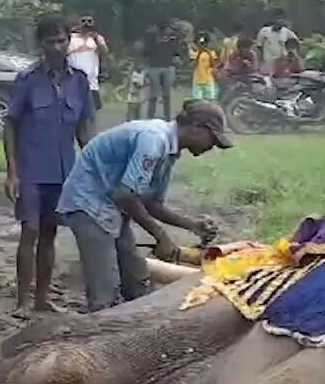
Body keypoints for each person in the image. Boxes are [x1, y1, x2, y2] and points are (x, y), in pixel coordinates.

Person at [56, 100, 231, 312]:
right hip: (88, 203)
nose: (212, 146)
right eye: (212, 139)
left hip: (111, 208)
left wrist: (192, 225)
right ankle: (101, 334)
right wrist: (161, 236)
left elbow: (152, 203)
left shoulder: (168, 149)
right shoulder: (153, 140)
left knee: (136, 280)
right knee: (105, 291)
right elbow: (125, 196)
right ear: (197, 127)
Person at [3, 16, 95, 314]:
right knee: (29, 230)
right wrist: (12, 172)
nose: (57, 46)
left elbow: (85, 127)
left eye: (62, 40)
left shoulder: (79, 81)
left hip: (63, 169)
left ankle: (41, 299)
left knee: (49, 233)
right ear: (40, 45)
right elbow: (11, 125)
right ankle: (21, 301)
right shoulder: (27, 80)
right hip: (30, 169)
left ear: (70, 41)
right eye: (50, 41)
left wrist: (91, 167)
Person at [143, 19, 185, 119]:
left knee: (167, 94)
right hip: (154, 65)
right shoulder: (151, 33)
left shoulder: (173, 34)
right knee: (154, 94)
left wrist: (177, 57)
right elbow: (146, 51)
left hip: (168, 65)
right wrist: (157, 41)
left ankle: (167, 117)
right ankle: (150, 117)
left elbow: (176, 50)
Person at [68, 14, 109, 114]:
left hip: (91, 83)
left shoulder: (96, 39)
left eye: (89, 21)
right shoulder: (71, 38)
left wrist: (97, 39)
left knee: (90, 113)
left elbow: (105, 52)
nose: (86, 24)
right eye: (83, 21)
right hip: (72, 81)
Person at [256, 9, 298, 75]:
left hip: (281, 65)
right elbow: (258, 47)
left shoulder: (287, 32)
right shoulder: (264, 31)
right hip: (267, 64)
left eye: (281, 18)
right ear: (273, 19)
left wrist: (291, 58)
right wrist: (258, 63)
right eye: (277, 18)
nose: (279, 20)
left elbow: (296, 44)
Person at [191, 34, 219, 101]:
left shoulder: (211, 53)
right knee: (197, 100)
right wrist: (199, 54)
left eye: (205, 44)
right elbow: (193, 65)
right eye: (202, 44)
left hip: (208, 80)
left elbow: (213, 65)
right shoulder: (195, 53)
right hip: (197, 80)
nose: (203, 46)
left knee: (210, 99)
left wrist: (209, 53)